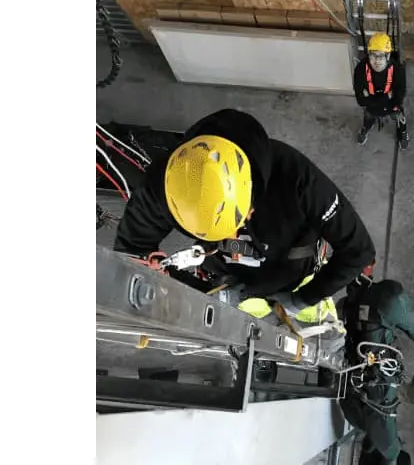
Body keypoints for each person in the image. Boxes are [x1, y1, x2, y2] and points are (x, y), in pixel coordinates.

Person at [113, 109, 376, 317]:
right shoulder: (165, 186)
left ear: (251, 193)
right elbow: (131, 251)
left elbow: (358, 250)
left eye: (239, 219)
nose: (232, 234)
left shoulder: (294, 177)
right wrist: (189, 289)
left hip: (289, 271)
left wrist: (303, 298)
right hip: (221, 276)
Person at [339, 271, 414, 465]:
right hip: (375, 389)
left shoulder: (347, 302)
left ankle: (373, 448)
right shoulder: (390, 297)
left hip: (349, 385)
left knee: (376, 431)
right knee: (390, 450)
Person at [353, 33, 409, 150]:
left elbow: (399, 97)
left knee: (399, 115)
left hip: (389, 104)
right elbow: (360, 101)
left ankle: (402, 132)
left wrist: (372, 99)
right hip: (374, 106)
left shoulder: (397, 70)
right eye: (373, 55)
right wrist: (387, 96)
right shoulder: (360, 70)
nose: (377, 61)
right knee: (368, 116)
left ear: (388, 56)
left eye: (382, 56)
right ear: (368, 55)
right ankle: (367, 126)